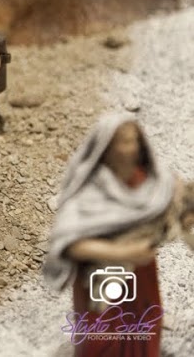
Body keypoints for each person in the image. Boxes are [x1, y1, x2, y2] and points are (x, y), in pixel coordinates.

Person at [43, 114, 177, 356]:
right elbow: (70, 243)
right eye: (124, 142)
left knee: (144, 326)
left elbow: (167, 208)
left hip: (140, 274)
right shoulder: (89, 189)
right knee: (102, 335)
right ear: (106, 147)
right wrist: (124, 252)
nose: (131, 148)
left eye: (134, 140)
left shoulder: (146, 182)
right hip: (101, 275)